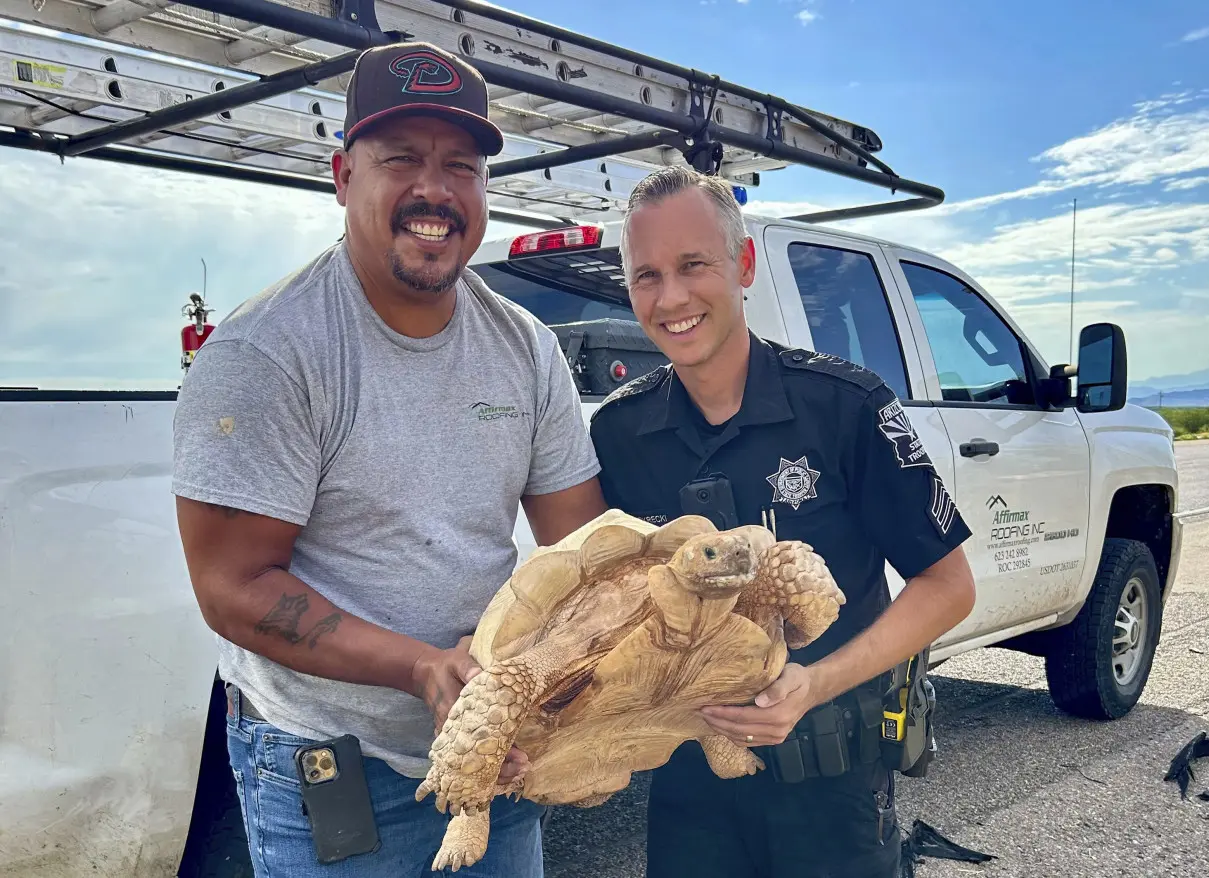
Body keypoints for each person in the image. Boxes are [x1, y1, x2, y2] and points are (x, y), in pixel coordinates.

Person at [171, 40, 607, 878]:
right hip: (330, 771)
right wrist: (421, 668)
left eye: (461, 166)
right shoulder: (269, 353)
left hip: (492, 758)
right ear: (342, 176)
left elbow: (580, 553)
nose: (434, 191)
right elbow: (232, 586)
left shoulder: (525, 348)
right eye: (400, 157)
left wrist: (556, 689)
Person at [588, 165, 978, 878]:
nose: (671, 297)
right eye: (647, 276)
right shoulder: (619, 434)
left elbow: (949, 586)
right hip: (688, 795)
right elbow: (596, 612)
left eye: (692, 265)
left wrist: (816, 683)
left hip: (833, 791)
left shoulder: (845, 406)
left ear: (742, 264)